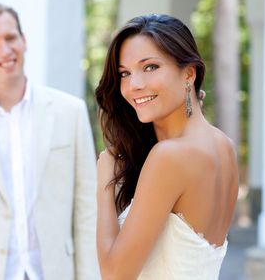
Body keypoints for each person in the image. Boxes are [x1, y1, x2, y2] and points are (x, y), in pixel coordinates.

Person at [0, 4, 99, 280]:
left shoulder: (70, 112)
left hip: (54, 271)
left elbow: (87, 212)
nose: (5, 50)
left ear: (24, 40)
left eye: (11, 38)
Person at [95, 14, 239, 279]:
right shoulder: (224, 146)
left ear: (189, 73)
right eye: (125, 73)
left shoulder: (170, 157)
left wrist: (104, 183)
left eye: (150, 67)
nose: (134, 85)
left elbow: (115, 274)